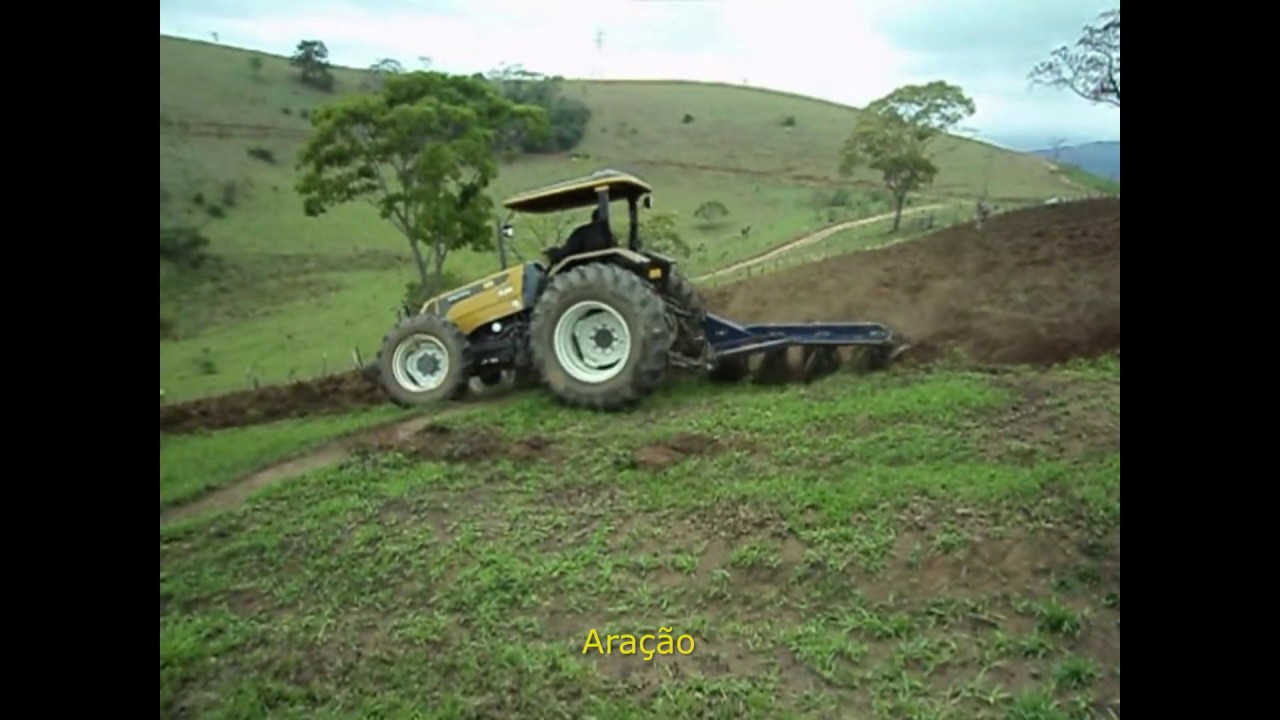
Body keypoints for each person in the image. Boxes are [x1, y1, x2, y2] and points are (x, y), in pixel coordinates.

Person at [545, 208, 616, 265]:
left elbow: (569, 249)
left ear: (593, 218)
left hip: (586, 267)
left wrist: (554, 253)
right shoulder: (609, 236)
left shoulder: (583, 232)